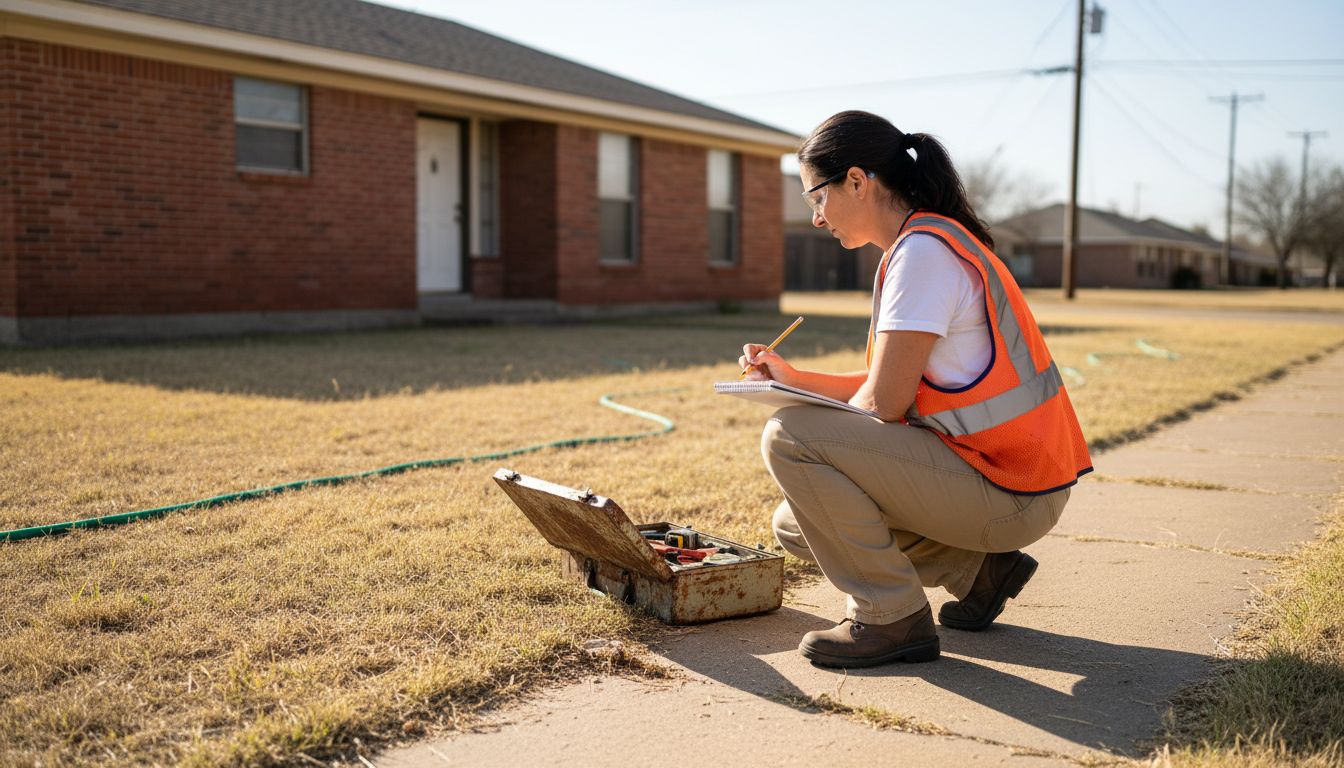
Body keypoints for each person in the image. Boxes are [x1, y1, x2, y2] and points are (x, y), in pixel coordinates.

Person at [740, 110, 1092, 668]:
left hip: (1011, 490)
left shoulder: (922, 256)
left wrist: (807, 414)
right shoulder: (926, 244)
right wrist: (794, 378)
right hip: (1008, 478)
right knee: (795, 522)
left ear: (857, 181)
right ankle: (978, 573)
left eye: (816, 197)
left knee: (788, 436)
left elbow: (884, 403)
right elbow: (899, 382)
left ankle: (892, 618)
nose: (815, 217)